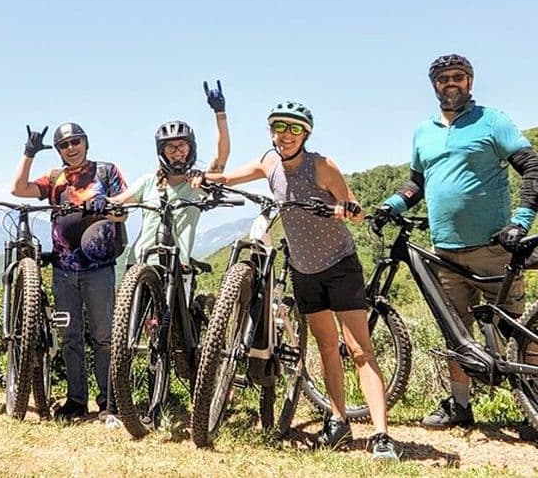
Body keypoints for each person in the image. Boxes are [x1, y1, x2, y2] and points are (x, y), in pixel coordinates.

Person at [206, 101, 399, 460]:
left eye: (294, 129)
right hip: (304, 270)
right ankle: (338, 421)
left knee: (359, 350)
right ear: (271, 133)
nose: (286, 135)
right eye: (280, 128)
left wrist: (347, 209)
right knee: (326, 347)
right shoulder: (269, 163)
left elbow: (355, 209)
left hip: (340, 265)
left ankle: (381, 434)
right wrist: (205, 177)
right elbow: (230, 177)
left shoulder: (322, 166)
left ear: (305, 134)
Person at [373, 54, 538, 430]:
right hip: (444, 252)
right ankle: (460, 406)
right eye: (443, 78)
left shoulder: (492, 121)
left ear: (470, 82)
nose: (451, 83)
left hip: (493, 249)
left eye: (459, 77)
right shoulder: (423, 131)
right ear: (434, 85)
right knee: (455, 331)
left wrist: (521, 221)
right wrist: (391, 204)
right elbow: (417, 182)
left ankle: (531, 406)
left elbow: (532, 166)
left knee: (516, 331)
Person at [11, 121, 128, 422]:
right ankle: (76, 400)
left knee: (104, 337)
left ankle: (109, 401)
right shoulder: (55, 178)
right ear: (59, 150)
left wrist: (106, 205)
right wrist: (29, 153)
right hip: (63, 269)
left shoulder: (106, 171)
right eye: (64, 145)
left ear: (85, 143)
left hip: (99, 268)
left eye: (76, 141)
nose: (71, 148)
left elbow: (125, 210)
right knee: (70, 337)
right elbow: (18, 189)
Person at [109, 80, 231, 268]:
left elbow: (221, 157)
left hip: (176, 267)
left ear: (191, 149)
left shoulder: (198, 183)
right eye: (170, 147)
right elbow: (120, 200)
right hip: (140, 265)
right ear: (162, 152)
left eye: (182, 145)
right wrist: (98, 202)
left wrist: (220, 114)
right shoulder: (148, 182)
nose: (177, 152)